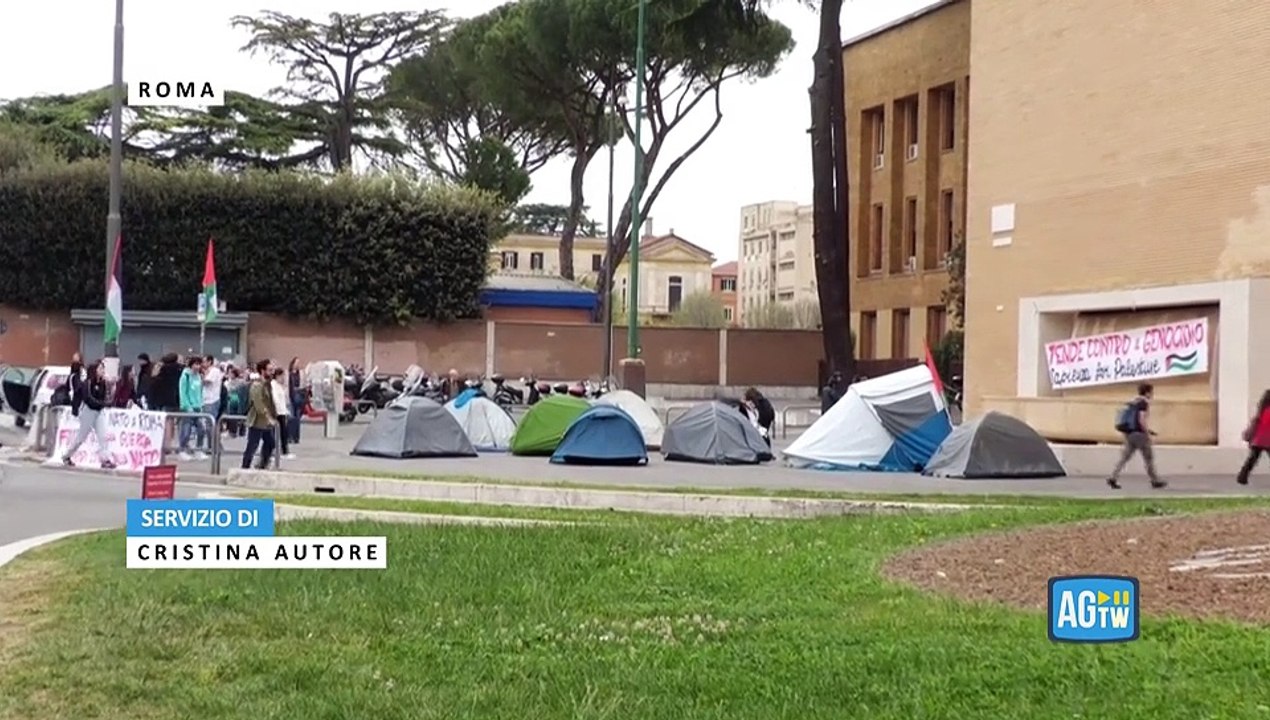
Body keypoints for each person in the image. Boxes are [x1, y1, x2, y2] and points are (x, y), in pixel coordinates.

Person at [1107, 382, 1166, 489]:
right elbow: (1141, 419)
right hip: (1140, 434)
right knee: (1148, 458)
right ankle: (1155, 480)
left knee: (1124, 458)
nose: (1152, 394)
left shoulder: (1132, 401)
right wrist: (1147, 433)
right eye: (1151, 392)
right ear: (1147, 392)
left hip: (1129, 434)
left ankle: (1113, 477)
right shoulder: (1143, 403)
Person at [61, 360, 116, 469]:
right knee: (81, 437)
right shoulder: (88, 383)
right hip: (88, 411)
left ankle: (105, 459)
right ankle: (67, 455)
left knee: (103, 435)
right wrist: (102, 403)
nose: (102, 371)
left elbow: (105, 396)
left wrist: (111, 388)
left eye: (103, 369)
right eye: (100, 368)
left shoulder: (103, 383)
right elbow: (88, 398)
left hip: (99, 411)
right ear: (94, 370)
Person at [242, 360, 278, 470]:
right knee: (252, 445)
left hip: (265, 422)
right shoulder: (257, 385)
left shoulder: (267, 385)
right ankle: (245, 467)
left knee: (270, 443)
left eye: (272, 370)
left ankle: (262, 464)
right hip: (257, 420)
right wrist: (268, 417)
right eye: (270, 370)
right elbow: (259, 404)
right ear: (263, 371)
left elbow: (270, 402)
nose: (272, 372)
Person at [1237, 389, 1270, 485]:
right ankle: (1242, 477)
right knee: (1252, 459)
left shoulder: (1262, 411)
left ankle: (1242, 477)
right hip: (1266, 440)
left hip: (1258, 440)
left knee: (1252, 459)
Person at [177, 356, 206, 461]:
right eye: (195, 364)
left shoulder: (198, 376)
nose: (197, 367)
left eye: (199, 364)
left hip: (197, 407)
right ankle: (182, 450)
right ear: (191, 364)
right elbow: (183, 392)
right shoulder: (185, 376)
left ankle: (198, 449)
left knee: (201, 429)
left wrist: (201, 404)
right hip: (188, 407)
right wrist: (187, 405)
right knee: (186, 430)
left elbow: (200, 391)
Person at [270, 367, 295, 459]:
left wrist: (286, 410)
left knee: (283, 433)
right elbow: (275, 399)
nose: (283, 378)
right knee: (279, 433)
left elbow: (282, 400)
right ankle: (276, 451)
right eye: (282, 376)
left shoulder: (280, 386)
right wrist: (277, 410)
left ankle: (284, 450)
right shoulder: (273, 385)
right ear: (277, 376)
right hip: (277, 413)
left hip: (282, 412)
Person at [201, 354, 224, 445]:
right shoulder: (208, 371)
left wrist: (202, 377)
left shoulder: (214, 371)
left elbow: (208, 381)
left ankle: (214, 445)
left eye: (204, 362)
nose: (203, 364)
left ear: (210, 362)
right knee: (209, 424)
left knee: (210, 424)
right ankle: (214, 444)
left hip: (212, 400)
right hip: (207, 399)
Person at [287, 357, 304, 445]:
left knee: (297, 418)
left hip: (298, 398)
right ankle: (290, 436)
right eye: (296, 363)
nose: (298, 365)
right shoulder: (289, 374)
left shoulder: (300, 374)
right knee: (291, 418)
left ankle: (296, 437)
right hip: (291, 397)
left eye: (299, 363)